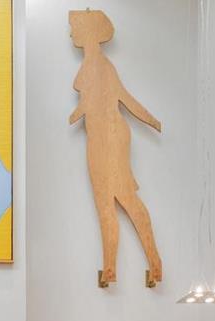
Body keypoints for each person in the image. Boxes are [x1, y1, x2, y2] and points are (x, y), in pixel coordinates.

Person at [69, 9, 163, 287]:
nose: (71, 33)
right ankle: (110, 267)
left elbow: (123, 98)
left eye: (75, 27)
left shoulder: (102, 65)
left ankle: (154, 263)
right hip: (97, 139)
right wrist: (77, 113)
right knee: (104, 205)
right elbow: (90, 104)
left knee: (125, 199)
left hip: (111, 137)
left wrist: (152, 120)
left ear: (88, 32)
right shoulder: (92, 65)